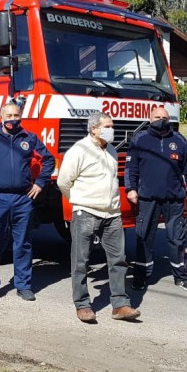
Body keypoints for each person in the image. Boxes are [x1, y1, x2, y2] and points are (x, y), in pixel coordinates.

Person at [58, 111, 141, 323]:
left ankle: (120, 304)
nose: (112, 130)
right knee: (80, 261)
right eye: (108, 126)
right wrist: (78, 200)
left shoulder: (112, 150)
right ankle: (83, 305)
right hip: (86, 212)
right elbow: (63, 182)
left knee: (118, 260)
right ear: (94, 129)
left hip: (112, 214)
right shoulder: (78, 150)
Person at [0, 102, 54, 303]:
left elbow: (49, 160)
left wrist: (40, 183)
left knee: (23, 243)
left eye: (16, 115)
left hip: (22, 199)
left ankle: (23, 285)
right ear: (1, 116)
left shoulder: (30, 138)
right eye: (9, 115)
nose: (13, 119)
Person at [125, 106, 187, 292]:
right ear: (150, 119)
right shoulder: (139, 139)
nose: (161, 120)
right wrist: (131, 189)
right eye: (157, 117)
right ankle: (141, 277)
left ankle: (181, 276)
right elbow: (131, 168)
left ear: (169, 119)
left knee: (177, 238)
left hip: (174, 199)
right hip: (147, 198)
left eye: (164, 117)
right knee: (144, 237)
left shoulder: (179, 140)